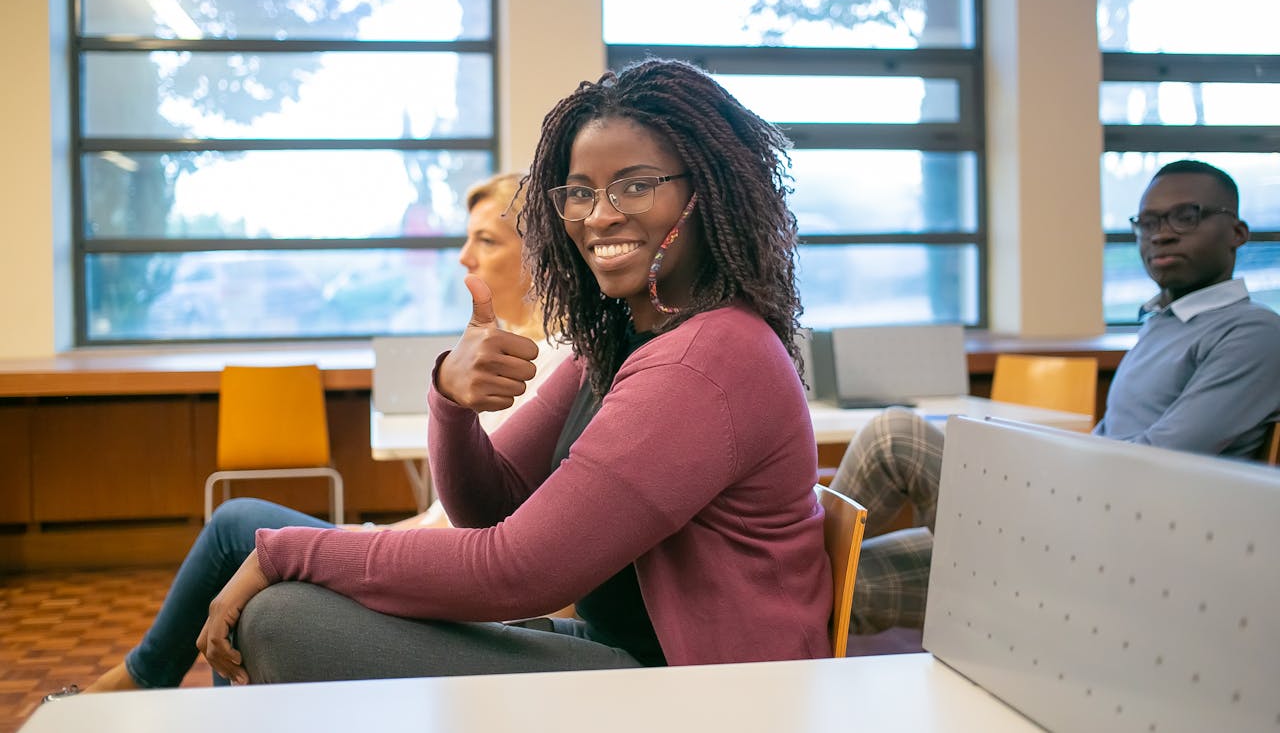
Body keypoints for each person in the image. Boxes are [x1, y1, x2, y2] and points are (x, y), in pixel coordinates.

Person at [198, 58, 828, 686]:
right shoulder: (619, 345)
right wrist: (451, 398)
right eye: (579, 191)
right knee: (292, 608)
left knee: (281, 616)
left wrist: (288, 551)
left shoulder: (706, 358)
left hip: (715, 693)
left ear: (707, 189)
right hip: (631, 657)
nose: (599, 215)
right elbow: (488, 504)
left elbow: (517, 572)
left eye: (636, 185)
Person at [50, 172, 565, 699]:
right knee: (242, 550)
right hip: (428, 545)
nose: (462, 257)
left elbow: (487, 529)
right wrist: (373, 530)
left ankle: (134, 683)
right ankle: (140, 682)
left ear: (539, 255)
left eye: (486, 240)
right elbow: (459, 513)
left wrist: (365, 541)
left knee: (235, 528)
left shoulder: (551, 363)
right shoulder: (506, 350)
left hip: (447, 565)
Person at [830, 159, 1280, 635]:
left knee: (895, 435)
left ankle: (778, 562)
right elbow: (1111, 446)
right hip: (1075, 534)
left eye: (1185, 216)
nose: (1161, 234)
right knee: (834, 584)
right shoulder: (1162, 325)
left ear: (1237, 231)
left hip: (1123, 559)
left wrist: (1032, 474)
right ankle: (780, 581)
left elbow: (1155, 463)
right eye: (1147, 222)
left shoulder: (1252, 333)